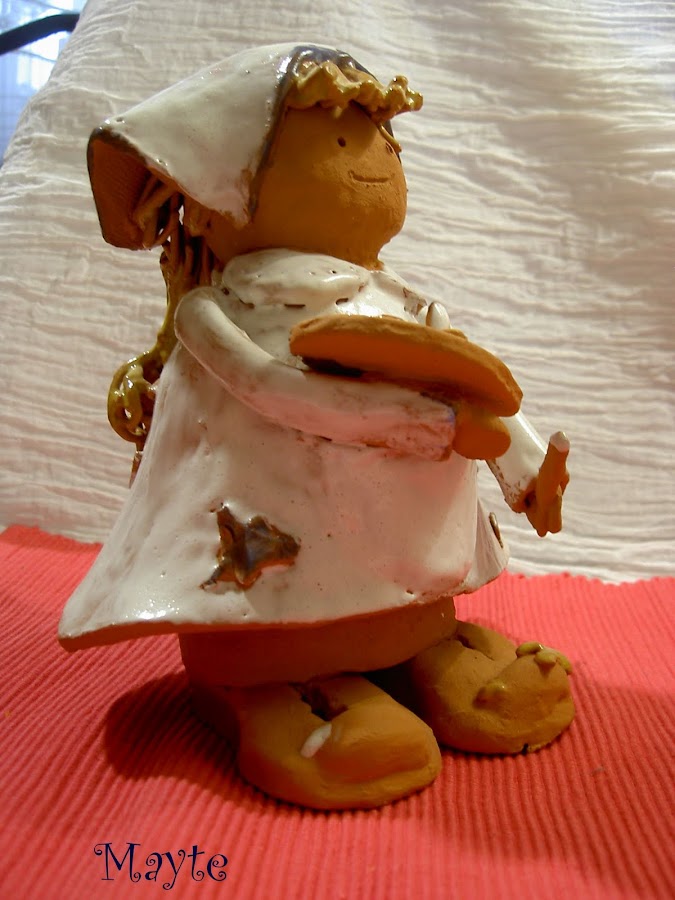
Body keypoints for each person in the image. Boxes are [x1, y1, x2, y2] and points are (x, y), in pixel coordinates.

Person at [60, 44, 573, 809]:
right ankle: (272, 690)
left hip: (406, 552)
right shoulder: (214, 315)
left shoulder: (402, 304)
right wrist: (416, 424)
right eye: (339, 140)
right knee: (272, 607)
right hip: (262, 568)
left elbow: (477, 387)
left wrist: (525, 469)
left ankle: (427, 649)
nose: (376, 159)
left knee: (408, 584)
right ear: (215, 196)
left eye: (382, 140)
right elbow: (277, 393)